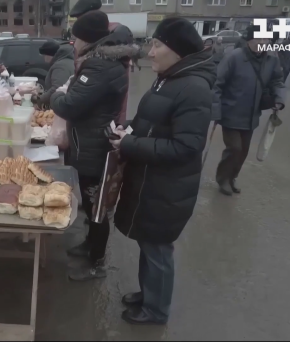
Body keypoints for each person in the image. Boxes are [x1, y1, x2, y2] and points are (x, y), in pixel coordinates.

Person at [110, 17, 215, 326]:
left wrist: (130, 145)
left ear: (178, 51)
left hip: (168, 187)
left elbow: (185, 147)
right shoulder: (169, 78)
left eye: (157, 45)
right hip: (152, 182)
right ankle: (149, 294)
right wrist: (126, 130)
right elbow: (149, 122)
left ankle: (156, 311)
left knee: (157, 249)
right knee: (148, 241)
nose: (150, 53)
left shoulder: (193, 88)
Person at [49, 10, 139, 281]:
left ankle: (97, 263)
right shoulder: (102, 63)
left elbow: (71, 105)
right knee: (92, 207)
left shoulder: (100, 66)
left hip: (95, 149)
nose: (73, 44)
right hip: (90, 144)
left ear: (87, 41)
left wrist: (56, 96)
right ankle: (90, 246)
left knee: (97, 208)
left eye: (76, 39)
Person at [213, 25, 285, 196]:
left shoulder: (272, 60)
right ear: (249, 40)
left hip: (252, 115)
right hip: (230, 113)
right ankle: (222, 178)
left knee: (244, 151)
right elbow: (217, 85)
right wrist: (215, 111)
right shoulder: (233, 57)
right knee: (235, 148)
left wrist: (279, 99)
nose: (262, 43)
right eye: (258, 39)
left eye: (266, 39)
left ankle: (232, 177)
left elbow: (277, 81)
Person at [69, 0, 133, 124]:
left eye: (81, 18)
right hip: (86, 100)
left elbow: (104, 71)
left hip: (104, 110)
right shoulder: (85, 33)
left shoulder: (116, 32)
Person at [37, 40, 75, 108]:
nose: (44, 58)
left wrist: (40, 99)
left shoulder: (60, 66)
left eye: (44, 55)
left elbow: (57, 88)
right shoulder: (67, 61)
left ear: (49, 55)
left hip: (61, 106)